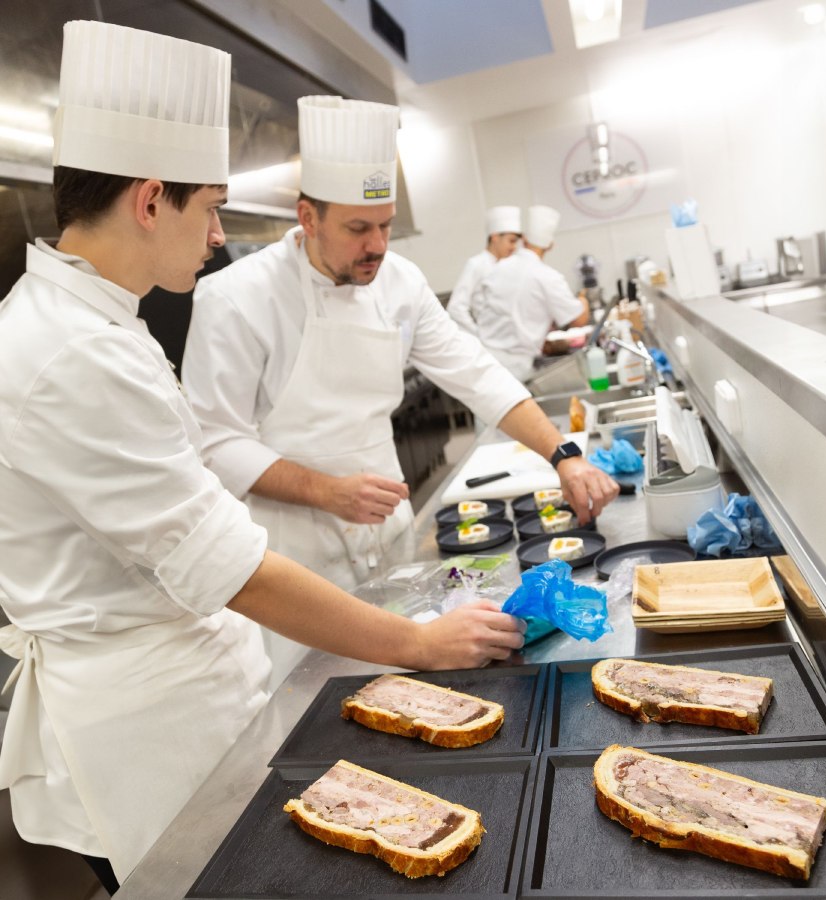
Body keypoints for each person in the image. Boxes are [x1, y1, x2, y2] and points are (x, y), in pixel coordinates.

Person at [0, 24, 526, 891]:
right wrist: (419, 645)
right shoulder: (70, 353)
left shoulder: (94, 324)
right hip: (154, 719)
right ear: (149, 200)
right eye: (209, 207)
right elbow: (232, 565)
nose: (215, 235)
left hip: (194, 675)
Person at [183, 97, 620, 689]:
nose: (378, 245)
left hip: (387, 532)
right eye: (358, 228)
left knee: (412, 690)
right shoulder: (235, 298)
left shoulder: (399, 282)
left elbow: (476, 373)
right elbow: (215, 443)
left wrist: (563, 455)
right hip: (294, 558)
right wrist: (326, 490)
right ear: (307, 218)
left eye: (385, 225)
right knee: (322, 702)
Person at [475, 205, 591, 382]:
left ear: (525, 240)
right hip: (514, 368)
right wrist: (583, 299)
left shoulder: (498, 268)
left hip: (483, 362)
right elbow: (579, 319)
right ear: (550, 245)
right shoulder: (546, 276)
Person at [446, 205, 521, 334]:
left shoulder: (511, 265)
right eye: (511, 241)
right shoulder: (476, 264)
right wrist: (478, 334)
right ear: (495, 237)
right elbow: (456, 307)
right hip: (491, 339)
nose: (514, 247)